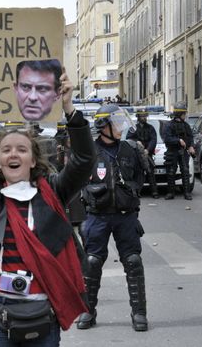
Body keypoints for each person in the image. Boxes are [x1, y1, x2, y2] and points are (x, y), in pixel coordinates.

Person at [0, 71, 94, 346]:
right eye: (6, 150)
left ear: (33, 160)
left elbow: (83, 161)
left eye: (22, 150)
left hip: (42, 310)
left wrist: (69, 107)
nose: (13, 154)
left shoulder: (54, 192)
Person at [77, 104, 148, 332]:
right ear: (103, 126)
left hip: (125, 217)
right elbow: (73, 183)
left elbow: (139, 178)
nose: (120, 128)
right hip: (96, 216)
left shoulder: (130, 150)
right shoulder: (87, 152)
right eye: (116, 123)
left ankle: (139, 313)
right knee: (91, 263)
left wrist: (130, 201)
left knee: (133, 262)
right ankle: (88, 310)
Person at [164, 102, 195, 200]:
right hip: (172, 151)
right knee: (171, 172)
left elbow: (190, 137)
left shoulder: (186, 125)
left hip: (183, 152)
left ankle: (187, 193)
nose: (185, 115)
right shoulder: (169, 125)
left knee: (185, 171)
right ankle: (171, 192)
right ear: (179, 114)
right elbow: (167, 138)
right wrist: (178, 140)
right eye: (184, 114)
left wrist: (191, 146)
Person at [126, 108, 160, 198]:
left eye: (145, 116)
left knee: (150, 173)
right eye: (142, 116)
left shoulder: (151, 128)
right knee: (138, 174)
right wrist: (136, 141)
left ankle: (154, 192)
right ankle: (137, 192)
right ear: (138, 117)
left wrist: (148, 150)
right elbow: (129, 138)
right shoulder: (133, 128)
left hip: (147, 154)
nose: (144, 117)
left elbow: (153, 140)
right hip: (137, 155)